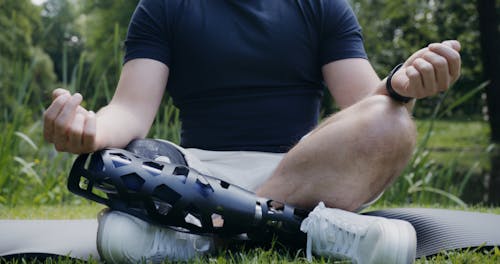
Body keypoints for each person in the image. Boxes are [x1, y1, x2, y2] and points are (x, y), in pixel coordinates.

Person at [43, 0, 461, 263]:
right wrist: (91, 128)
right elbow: (131, 111)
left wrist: (398, 89)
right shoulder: (162, 7)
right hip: (195, 176)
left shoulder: (323, 6)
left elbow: (366, 109)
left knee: (394, 123)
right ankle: (299, 228)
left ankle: (211, 233)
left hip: (303, 171)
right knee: (118, 236)